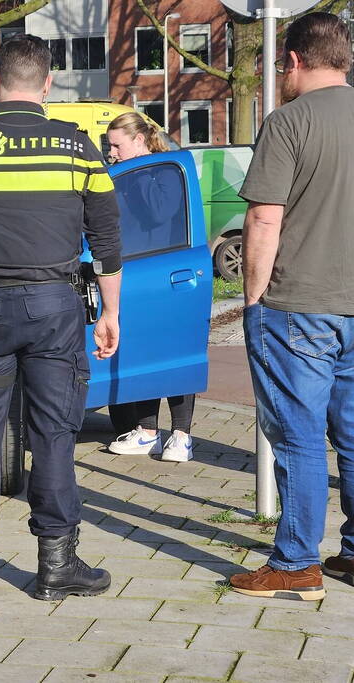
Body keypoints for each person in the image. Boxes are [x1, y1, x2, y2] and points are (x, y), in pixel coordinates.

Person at [0, 35, 123, 601]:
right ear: (48, 84)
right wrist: (110, 312)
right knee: (54, 432)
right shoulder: (80, 151)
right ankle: (57, 564)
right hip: (56, 309)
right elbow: (106, 242)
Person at [228, 12, 354, 602]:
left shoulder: (289, 123)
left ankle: (297, 562)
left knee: (299, 435)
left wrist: (253, 301)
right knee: (353, 435)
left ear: (296, 60)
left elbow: (263, 218)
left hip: (297, 304)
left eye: (280, 64)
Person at [103, 112, 195, 463]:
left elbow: (160, 212)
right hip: (136, 272)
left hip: (167, 270)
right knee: (142, 352)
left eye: (117, 145)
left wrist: (139, 169)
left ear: (139, 140)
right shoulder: (125, 173)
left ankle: (182, 434)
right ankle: (148, 432)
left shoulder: (165, 170)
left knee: (173, 354)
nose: (111, 152)